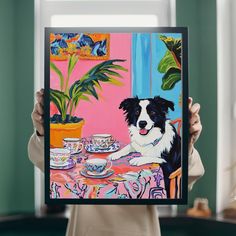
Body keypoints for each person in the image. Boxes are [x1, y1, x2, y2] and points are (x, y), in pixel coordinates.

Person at [28, 89, 204, 236]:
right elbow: (44, 161)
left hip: (139, 229)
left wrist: (187, 145)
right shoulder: (133, 143)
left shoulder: (168, 141)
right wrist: (43, 134)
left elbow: (187, 177)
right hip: (86, 228)